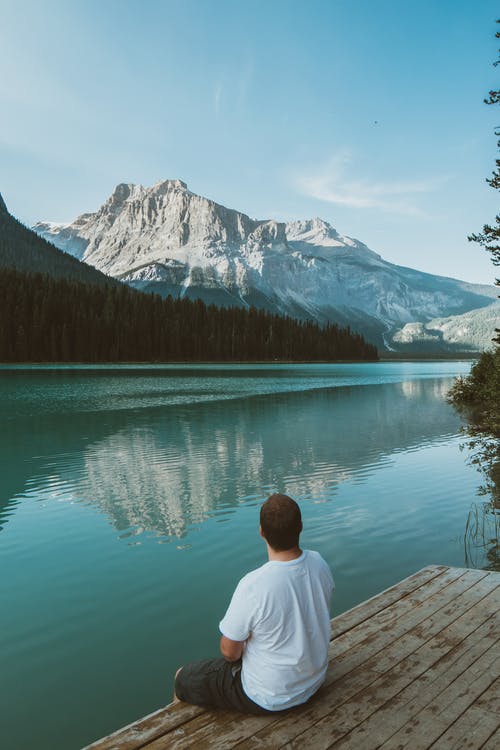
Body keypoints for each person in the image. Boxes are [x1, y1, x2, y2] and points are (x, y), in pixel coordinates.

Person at [174, 493, 335, 714]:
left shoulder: (254, 585)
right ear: (300, 527)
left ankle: (176, 730)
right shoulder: (319, 563)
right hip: (315, 680)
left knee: (182, 677)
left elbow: (229, 653)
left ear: (261, 532)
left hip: (270, 696)